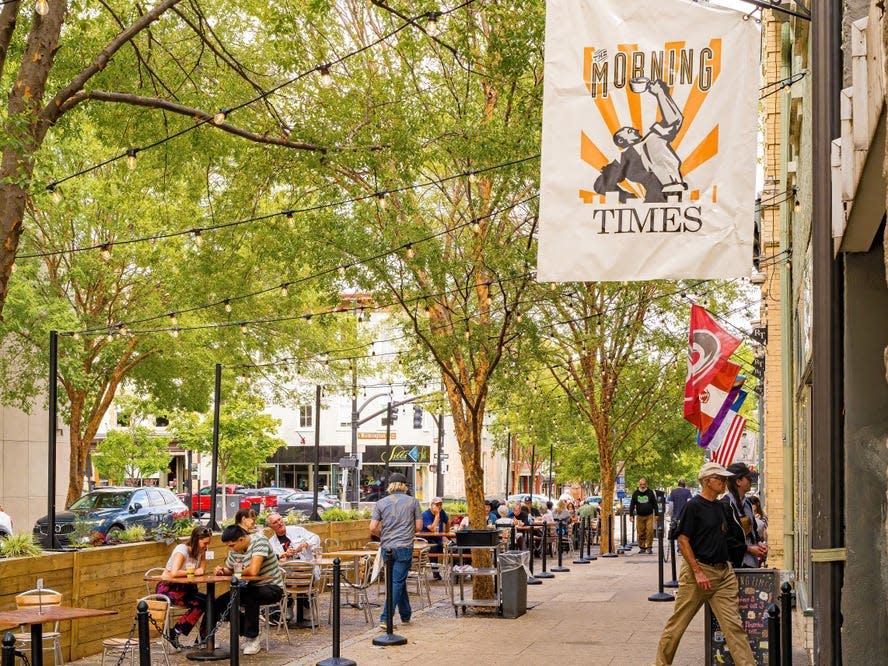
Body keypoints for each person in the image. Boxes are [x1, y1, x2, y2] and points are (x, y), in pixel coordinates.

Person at [655, 462, 756, 666]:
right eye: (720, 479)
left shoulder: (721, 506)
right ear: (708, 481)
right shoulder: (693, 506)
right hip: (699, 573)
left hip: (723, 574)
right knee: (677, 626)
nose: (724, 483)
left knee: (734, 627)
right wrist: (697, 572)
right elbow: (683, 540)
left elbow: (726, 537)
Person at [593, 78, 686, 203]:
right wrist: (628, 198)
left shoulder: (653, 138)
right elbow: (601, 185)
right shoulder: (623, 159)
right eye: (627, 130)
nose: (633, 129)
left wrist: (660, 93)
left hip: (677, 196)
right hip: (655, 202)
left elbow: (674, 120)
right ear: (621, 141)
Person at [213, 525, 284, 655]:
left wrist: (234, 572)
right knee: (220, 603)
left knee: (252, 596)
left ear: (241, 539)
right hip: (250, 587)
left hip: (272, 587)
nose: (230, 548)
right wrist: (223, 570)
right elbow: (230, 570)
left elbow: (253, 570)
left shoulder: (259, 542)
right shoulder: (234, 550)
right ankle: (248, 631)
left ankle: (252, 638)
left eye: (232, 545)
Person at [370, 472, 422, 629]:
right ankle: (386, 618)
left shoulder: (380, 503)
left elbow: (372, 528)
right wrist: (407, 533)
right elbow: (419, 527)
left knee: (397, 581)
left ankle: (406, 614)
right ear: (404, 485)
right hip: (404, 547)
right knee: (397, 582)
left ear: (390, 486)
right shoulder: (413, 502)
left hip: (387, 548)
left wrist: (383, 535)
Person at [155, 526, 211, 650]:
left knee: (210, 601)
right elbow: (174, 572)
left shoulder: (202, 552)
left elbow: (202, 570)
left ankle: (203, 638)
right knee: (202, 603)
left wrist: (196, 571)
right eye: (205, 543)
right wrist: (195, 571)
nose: (207, 547)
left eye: (208, 543)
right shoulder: (182, 550)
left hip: (187, 589)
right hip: (169, 589)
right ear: (196, 540)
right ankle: (175, 632)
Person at [266, 512, 321, 624]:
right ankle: (288, 607)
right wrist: (285, 555)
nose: (279, 523)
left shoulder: (297, 530)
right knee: (283, 580)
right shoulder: (271, 543)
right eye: (275, 522)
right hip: (288, 574)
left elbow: (316, 538)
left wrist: (305, 544)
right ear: (271, 527)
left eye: (280, 519)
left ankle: (306, 608)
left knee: (302, 576)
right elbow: (274, 560)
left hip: (307, 571)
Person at [722, 463, 768, 568]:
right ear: (738, 481)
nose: (751, 481)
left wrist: (759, 544)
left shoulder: (747, 503)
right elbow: (725, 538)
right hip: (734, 565)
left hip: (751, 563)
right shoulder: (725, 505)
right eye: (748, 478)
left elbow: (753, 531)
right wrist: (748, 549)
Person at [629, 478, 659, 554]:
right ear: (639, 484)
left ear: (646, 484)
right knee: (640, 532)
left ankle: (649, 547)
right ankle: (642, 547)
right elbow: (632, 504)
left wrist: (657, 514)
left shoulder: (650, 492)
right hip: (639, 516)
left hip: (649, 515)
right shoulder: (636, 493)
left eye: (644, 484)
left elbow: (655, 504)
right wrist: (631, 515)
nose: (642, 486)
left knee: (650, 531)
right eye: (641, 484)